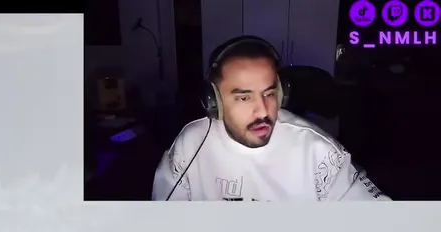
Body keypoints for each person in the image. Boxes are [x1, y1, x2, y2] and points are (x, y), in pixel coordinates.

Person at [153, 36, 389, 201]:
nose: (263, 112)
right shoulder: (190, 146)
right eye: (244, 98)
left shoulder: (317, 151)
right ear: (214, 101)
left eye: (269, 94)